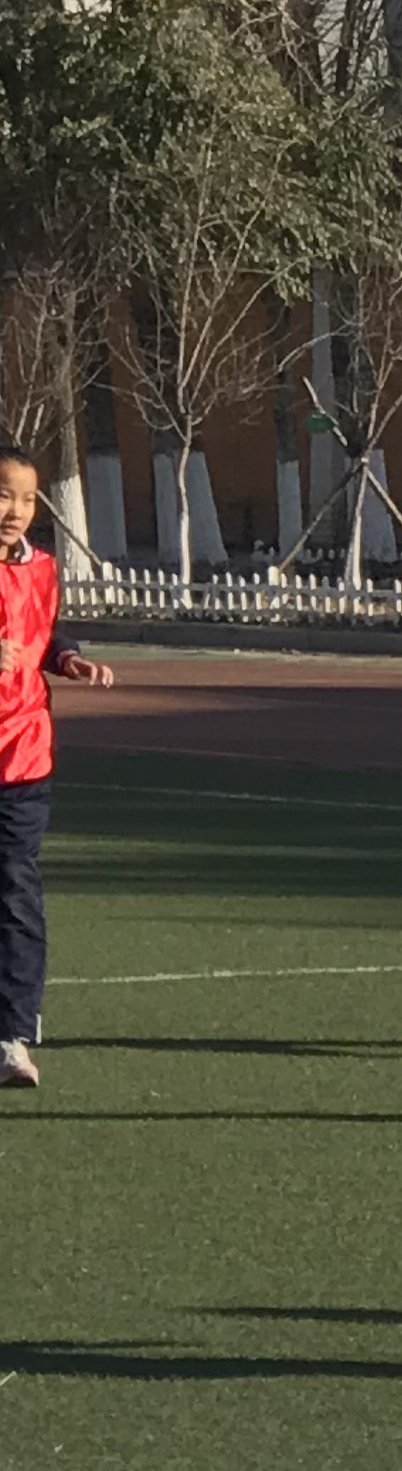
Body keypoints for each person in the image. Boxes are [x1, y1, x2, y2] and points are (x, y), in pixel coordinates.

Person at [0, 445, 113, 1092]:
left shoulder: (41, 568)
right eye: (3, 494)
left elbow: (43, 634)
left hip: (23, 758)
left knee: (15, 895)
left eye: (26, 498)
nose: (14, 510)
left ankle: (11, 1036)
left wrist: (68, 659)